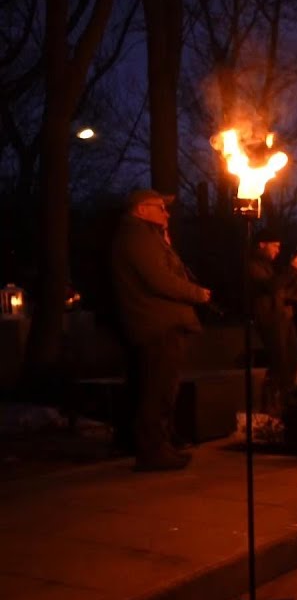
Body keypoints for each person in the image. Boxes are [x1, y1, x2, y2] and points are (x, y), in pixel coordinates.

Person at [111, 188, 212, 471]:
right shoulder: (136, 237)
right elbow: (160, 280)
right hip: (157, 325)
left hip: (160, 323)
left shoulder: (145, 237)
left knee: (163, 389)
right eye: (160, 208)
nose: (166, 213)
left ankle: (160, 446)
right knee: (158, 390)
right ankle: (152, 452)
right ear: (141, 209)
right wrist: (197, 294)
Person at [248, 228, 297, 417]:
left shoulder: (269, 267)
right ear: (262, 244)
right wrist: (291, 270)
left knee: (291, 360)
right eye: (275, 246)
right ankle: (270, 404)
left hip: (283, 318)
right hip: (270, 319)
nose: (277, 250)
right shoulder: (253, 265)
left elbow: (285, 288)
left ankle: (284, 402)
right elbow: (272, 286)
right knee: (279, 361)